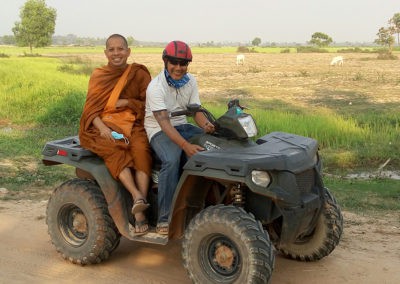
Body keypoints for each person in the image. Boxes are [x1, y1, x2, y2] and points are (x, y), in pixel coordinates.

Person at [79, 34, 152, 236]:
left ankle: (140, 209)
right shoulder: (99, 75)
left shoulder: (139, 73)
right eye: (111, 49)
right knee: (114, 148)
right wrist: (102, 128)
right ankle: (137, 195)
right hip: (104, 123)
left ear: (128, 51)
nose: (116, 53)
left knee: (141, 150)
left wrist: (128, 103)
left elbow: (149, 104)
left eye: (120, 49)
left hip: (133, 122)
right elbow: (90, 109)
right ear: (106, 53)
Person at [144, 40, 215, 235]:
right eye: (174, 62)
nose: (178, 68)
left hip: (183, 125)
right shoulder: (155, 87)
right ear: (165, 62)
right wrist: (185, 145)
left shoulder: (190, 81)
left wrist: (207, 126)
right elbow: (164, 122)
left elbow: (196, 111)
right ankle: (165, 218)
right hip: (158, 129)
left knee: (215, 145)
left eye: (183, 63)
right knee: (172, 158)